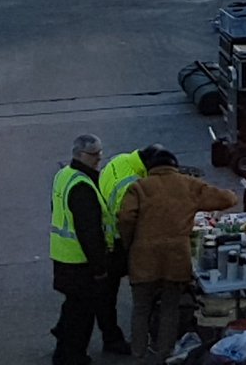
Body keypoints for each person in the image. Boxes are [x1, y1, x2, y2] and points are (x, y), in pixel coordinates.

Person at [116, 147, 238, 364]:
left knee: (141, 308)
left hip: (144, 258)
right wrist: (231, 193)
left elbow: (125, 218)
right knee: (170, 307)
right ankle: (163, 353)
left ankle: (138, 353)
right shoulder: (188, 184)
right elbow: (226, 199)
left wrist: (131, 243)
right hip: (176, 258)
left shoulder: (139, 187)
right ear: (174, 166)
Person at [50, 134, 112, 365]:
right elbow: (89, 233)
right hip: (80, 261)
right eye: (94, 154)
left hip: (62, 255)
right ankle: (72, 357)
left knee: (73, 306)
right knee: (82, 314)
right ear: (80, 155)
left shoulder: (64, 175)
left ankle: (63, 343)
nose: (99, 158)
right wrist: (100, 268)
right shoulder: (82, 187)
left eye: (100, 153)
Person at [95, 145, 150, 355]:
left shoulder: (121, 160)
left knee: (106, 295)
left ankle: (108, 335)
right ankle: (117, 340)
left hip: (107, 238)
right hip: (117, 243)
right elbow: (129, 219)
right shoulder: (133, 184)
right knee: (138, 291)